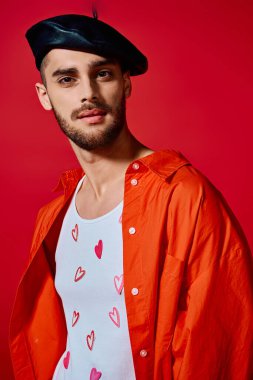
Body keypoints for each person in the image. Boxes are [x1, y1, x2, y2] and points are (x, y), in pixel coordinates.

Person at [9, 13, 253, 380]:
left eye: (102, 74)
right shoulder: (55, 215)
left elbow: (219, 346)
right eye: (66, 79)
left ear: (125, 84)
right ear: (45, 96)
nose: (87, 92)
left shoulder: (184, 196)